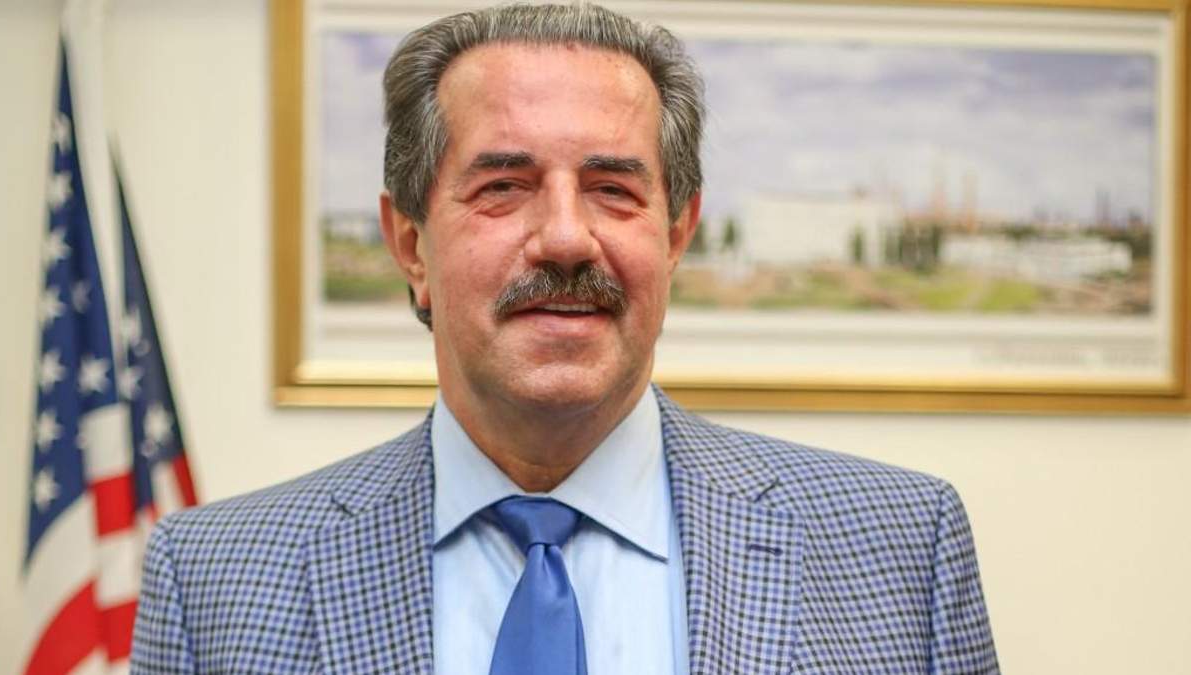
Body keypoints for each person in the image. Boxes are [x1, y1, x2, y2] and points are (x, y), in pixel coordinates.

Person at [132, 3, 998, 673]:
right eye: (503, 186)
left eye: (613, 189)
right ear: (411, 245)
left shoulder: (899, 549)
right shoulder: (215, 580)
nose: (565, 238)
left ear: (676, 234)